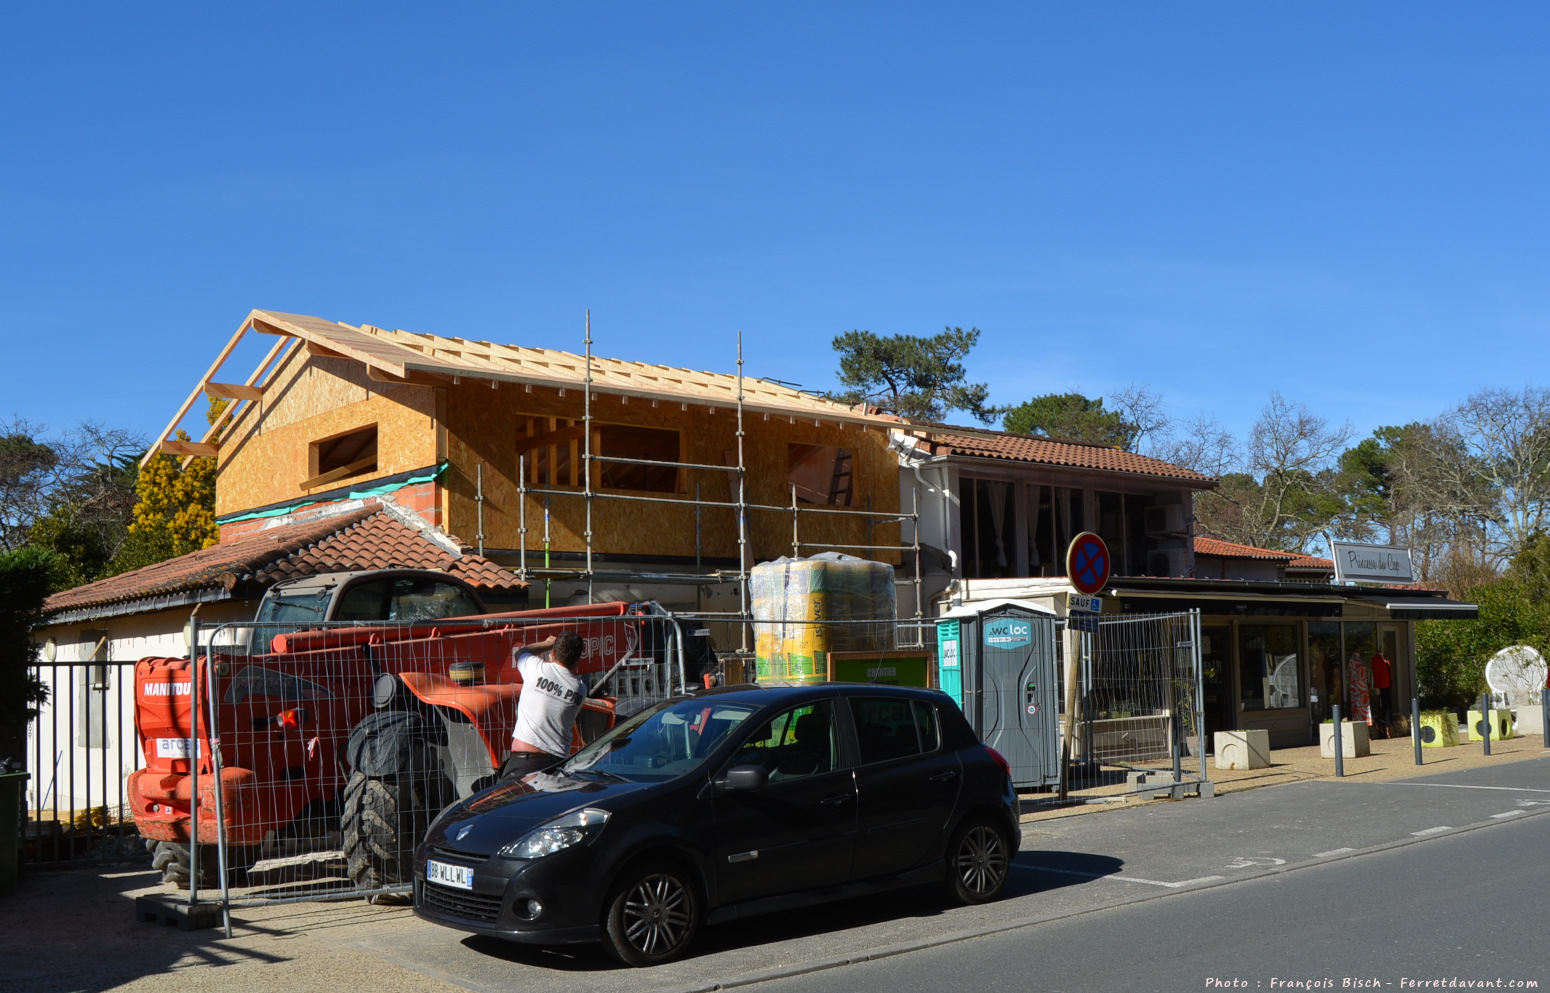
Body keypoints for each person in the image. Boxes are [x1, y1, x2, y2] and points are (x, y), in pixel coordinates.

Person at [500, 631, 588, 781]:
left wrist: (547, 643)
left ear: (553, 652)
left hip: (526, 763)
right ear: (578, 659)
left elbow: (522, 652)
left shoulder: (537, 669)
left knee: (500, 802)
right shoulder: (579, 689)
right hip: (558, 763)